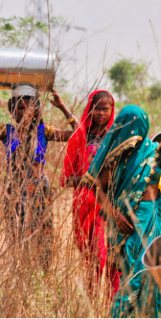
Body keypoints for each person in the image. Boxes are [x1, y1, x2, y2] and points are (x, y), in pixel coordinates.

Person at [80, 105, 161, 318]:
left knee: (155, 272)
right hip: (127, 223)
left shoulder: (154, 151)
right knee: (135, 274)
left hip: (152, 219)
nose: (131, 133)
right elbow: (97, 188)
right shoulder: (114, 156)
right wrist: (115, 214)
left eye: (135, 127)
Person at [0, 85, 78, 269]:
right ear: (13, 112)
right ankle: (21, 271)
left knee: (43, 234)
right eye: (20, 108)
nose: (25, 112)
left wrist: (62, 106)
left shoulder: (44, 132)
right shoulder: (7, 131)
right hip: (14, 190)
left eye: (29, 108)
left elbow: (78, 134)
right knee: (16, 233)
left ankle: (42, 273)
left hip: (39, 189)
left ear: (36, 112)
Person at [61, 90, 120, 297]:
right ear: (90, 109)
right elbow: (67, 178)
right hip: (87, 204)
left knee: (112, 258)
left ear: (112, 110)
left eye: (105, 109)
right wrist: (89, 181)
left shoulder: (117, 138)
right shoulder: (80, 137)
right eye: (97, 108)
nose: (101, 113)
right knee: (96, 257)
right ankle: (92, 300)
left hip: (112, 206)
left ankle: (112, 305)